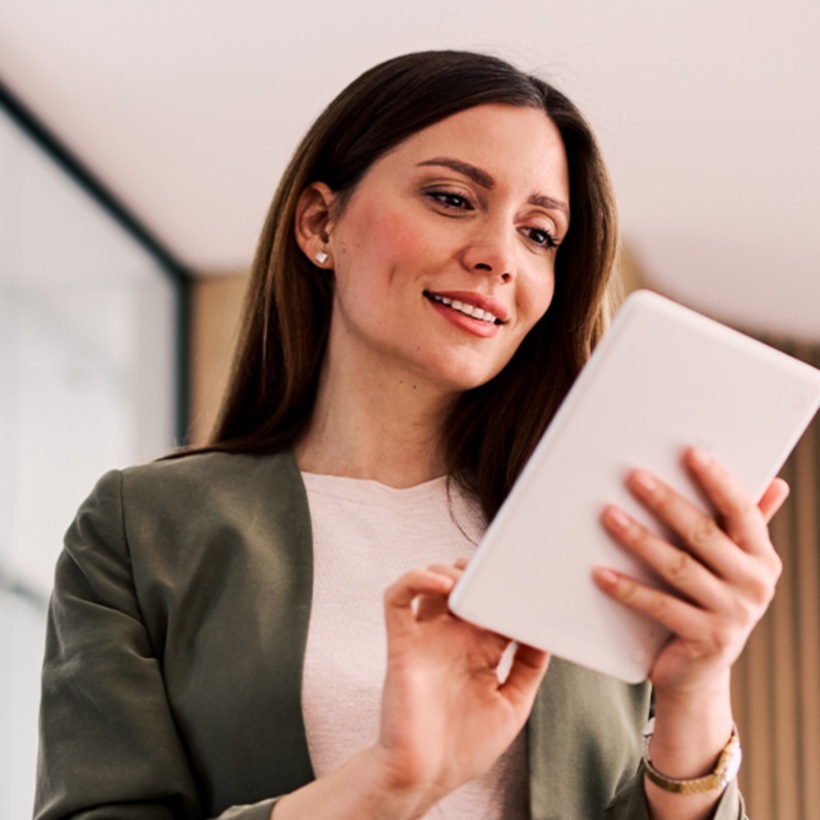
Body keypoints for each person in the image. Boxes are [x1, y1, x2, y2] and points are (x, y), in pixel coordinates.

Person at [35, 51, 787, 820]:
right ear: (320, 222)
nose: (499, 257)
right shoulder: (145, 527)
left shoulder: (603, 534)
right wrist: (390, 781)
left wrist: (697, 693)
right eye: (452, 198)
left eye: (538, 233)